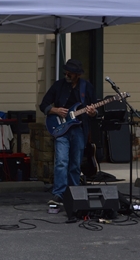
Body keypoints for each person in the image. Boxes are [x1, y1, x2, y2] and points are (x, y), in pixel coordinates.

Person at [39, 59, 97, 213]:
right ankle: (58, 194)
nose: (66, 74)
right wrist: (55, 110)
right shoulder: (58, 85)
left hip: (78, 129)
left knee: (75, 163)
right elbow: (43, 105)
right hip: (60, 128)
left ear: (77, 74)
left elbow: (95, 109)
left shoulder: (87, 87)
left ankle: (74, 192)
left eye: (69, 73)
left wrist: (92, 112)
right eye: (65, 72)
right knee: (61, 161)